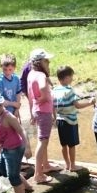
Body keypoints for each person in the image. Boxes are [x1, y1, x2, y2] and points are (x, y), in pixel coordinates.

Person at [53, 65, 95, 171]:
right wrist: (89, 103)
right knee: (72, 145)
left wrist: (54, 118)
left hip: (60, 120)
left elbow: (53, 106)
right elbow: (77, 105)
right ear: (67, 77)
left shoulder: (54, 90)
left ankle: (67, 164)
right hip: (70, 121)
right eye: (71, 77)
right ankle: (73, 165)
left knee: (64, 145)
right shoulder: (70, 90)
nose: (72, 79)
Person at [27, 48, 57, 183]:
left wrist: (33, 109)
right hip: (43, 111)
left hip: (37, 110)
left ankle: (46, 166)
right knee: (42, 141)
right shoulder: (41, 76)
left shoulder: (31, 74)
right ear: (39, 62)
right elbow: (43, 91)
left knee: (43, 140)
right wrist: (44, 96)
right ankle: (38, 174)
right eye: (46, 60)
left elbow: (29, 94)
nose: (48, 62)